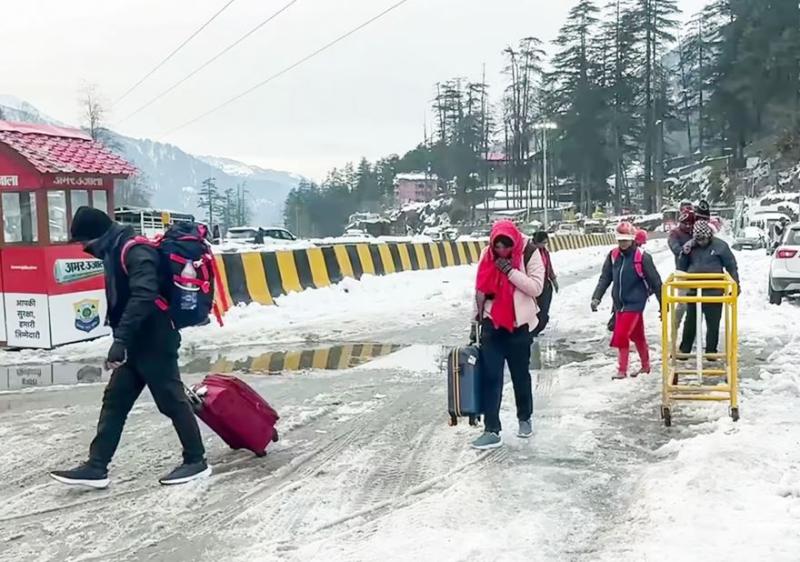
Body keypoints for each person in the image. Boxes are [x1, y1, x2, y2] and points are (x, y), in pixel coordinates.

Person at [50, 207, 210, 489]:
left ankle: (196, 461)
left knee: (171, 400)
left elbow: (144, 295)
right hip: (136, 342)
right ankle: (96, 467)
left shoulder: (135, 251)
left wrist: (120, 340)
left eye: (84, 241)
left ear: (97, 235)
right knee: (115, 401)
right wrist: (124, 340)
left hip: (155, 339)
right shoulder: (114, 249)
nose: (84, 248)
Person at [470, 220, 545, 450]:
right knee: (491, 376)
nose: (501, 251)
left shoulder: (529, 252)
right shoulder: (487, 253)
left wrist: (510, 271)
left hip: (518, 326)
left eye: (506, 247)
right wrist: (474, 321)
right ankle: (492, 429)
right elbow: (480, 288)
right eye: (498, 247)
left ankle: (525, 418)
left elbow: (536, 288)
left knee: (520, 375)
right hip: (492, 324)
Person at [591, 222, 663, 380]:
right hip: (619, 304)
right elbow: (605, 278)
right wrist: (596, 297)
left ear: (632, 239)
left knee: (621, 334)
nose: (622, 243)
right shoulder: (613, 256)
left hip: (635, 302)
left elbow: (656, 283)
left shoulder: (642, 257)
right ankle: (645, 366)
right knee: (638, 336)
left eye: (625, 240)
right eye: (620, 240)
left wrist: (663, 306)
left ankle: (622, 370)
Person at [678, 220, 740, 357]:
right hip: (694, 290)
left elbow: (731, 266)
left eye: (703, 239)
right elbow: (681, 267)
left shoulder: (720, 246)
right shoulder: (690, 247)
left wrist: (736, 285)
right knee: (690, 322)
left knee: (713, 323)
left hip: (714, 291)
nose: (701, 242)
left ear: (709, 236)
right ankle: (685, 349)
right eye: (698, 240)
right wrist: (684, 253)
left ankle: (711, 352)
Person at [530, 230, 558, 338]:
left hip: (545, 285)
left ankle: (535, 331)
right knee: (533, 312)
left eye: (546, 243)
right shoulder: (529, 252)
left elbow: (549, 266)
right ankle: (530, 333)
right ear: (537, 241)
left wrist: (554, 280)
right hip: (533, 285)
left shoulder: (544, 252)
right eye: (543, 243)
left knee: (544, 313)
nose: (544, 245)